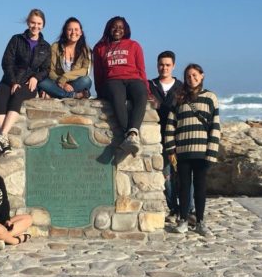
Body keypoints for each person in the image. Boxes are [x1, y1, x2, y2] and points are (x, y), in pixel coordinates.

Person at [164, 63, 221, 236]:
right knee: (183, 187)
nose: (192, 79)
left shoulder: (210, 97)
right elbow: (170, 125)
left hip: (202, 152)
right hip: (182, 152)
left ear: (202, 75)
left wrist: (211, 153)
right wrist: (171, 149)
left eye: (195, 75)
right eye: (188, 76)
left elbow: (215, 126)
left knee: (200, 188)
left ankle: (201, 222)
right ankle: (182, 220)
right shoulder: (178, 98)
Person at [0, 9, 51, 155]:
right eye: (33, 22)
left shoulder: (46, 46)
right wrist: (13, 81)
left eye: (39, 23)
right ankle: (3, 138)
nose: (35, 26)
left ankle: (1, 137)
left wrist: (35, 78)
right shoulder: (16, 39)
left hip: (29, 83)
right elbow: (7, 62)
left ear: (43, 25)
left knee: (18, 97)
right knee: (1, 95)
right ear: (28, 22)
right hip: (10, 79)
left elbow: (46, 69)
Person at [93, 16, 149, 156]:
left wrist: (147, 89)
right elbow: (98, 72)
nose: (117, 29)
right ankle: (128, 134)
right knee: (118, 97)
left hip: (133, 78)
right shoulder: (100, 48)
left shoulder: (134, 45)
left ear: (125, 30)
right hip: (113, 80)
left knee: (141, 93)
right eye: (114, 26)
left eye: (121, 27)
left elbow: (141, 69)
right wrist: (99, 91)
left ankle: (132, 133)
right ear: (108, 28)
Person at [149, 51, 184, 222]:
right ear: (157, 65)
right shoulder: (150, 85)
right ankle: (173, 209)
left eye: (168, 65)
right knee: (167, 176)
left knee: (182, 176)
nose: (164, 68)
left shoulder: (181, 87)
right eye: (161, 64)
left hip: (178, 138)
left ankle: (187, 209)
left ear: (173, 66)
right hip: (157, 138)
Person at [38, 17, 92, 99]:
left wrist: (65, 78)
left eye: (76, 29)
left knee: (86, 81)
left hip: (75, 83)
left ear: (81, 32)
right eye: (70, 29)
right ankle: (73, 95)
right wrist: (62, 83)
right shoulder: (55, 47)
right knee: (41, 81)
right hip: (56, 82)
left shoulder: (85, 50)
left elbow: (85, 70)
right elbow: (51, 71)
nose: (73, 32)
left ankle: (54, 94)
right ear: (65, 32)